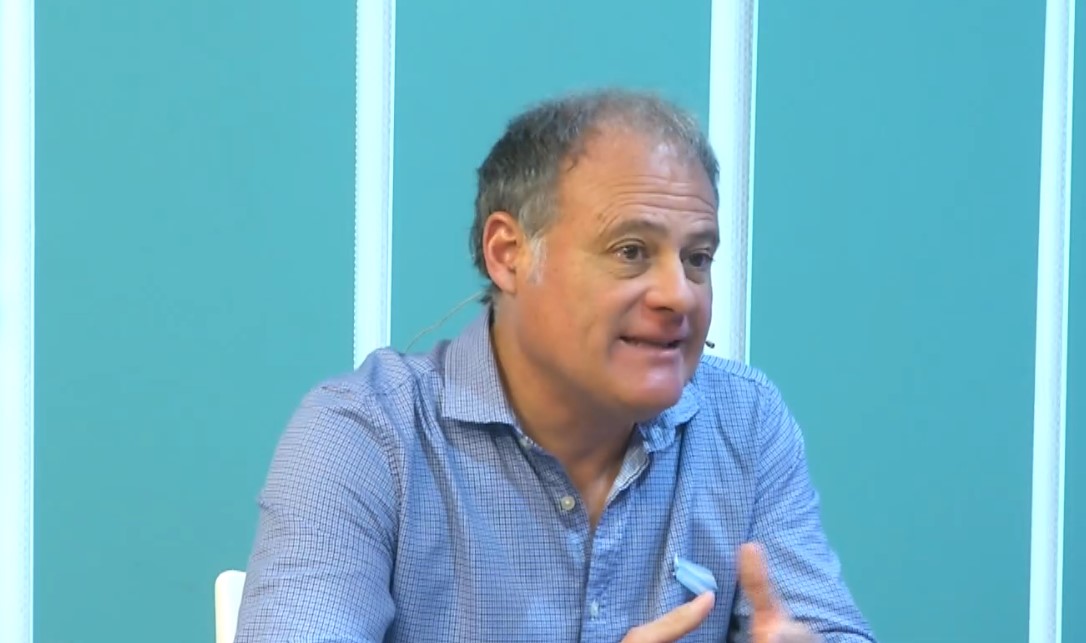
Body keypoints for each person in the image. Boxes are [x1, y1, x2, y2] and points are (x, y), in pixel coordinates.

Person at [234, 89, 876, 643]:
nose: (679, 295)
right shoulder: (365, 434)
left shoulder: (746, 422)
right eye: (631, 251)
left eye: (697, 258)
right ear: (508, 254)